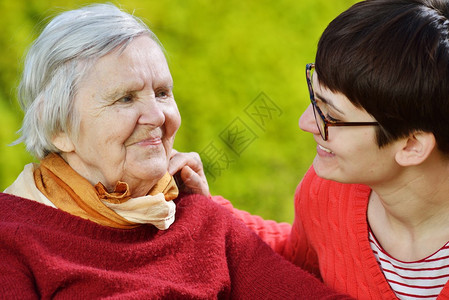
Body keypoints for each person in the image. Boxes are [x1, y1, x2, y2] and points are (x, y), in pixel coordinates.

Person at [0, 4, 352, 299]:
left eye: (163, 93)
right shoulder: (11, 233)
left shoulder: (200, 219)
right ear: (58, 127)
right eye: (125, 98)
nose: (157, 116)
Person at [212, 0, 449, 299]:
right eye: (315, 98)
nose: (305, 122)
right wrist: (206, 208)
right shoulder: (327, 194)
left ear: (412, 145)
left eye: (332, 116)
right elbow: (295, 265)